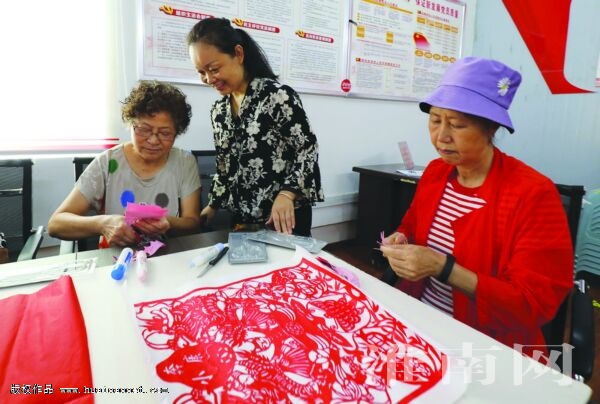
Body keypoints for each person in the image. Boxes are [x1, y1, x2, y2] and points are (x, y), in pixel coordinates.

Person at [379, 57, 573, 360]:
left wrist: (443, 268)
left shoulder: (533, 194)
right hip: (421, 320)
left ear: (490, 128)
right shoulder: (436, 173)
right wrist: (401, 238)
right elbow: (411, 226)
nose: (442, 136)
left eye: (457, 124)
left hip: (487, 344)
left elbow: (532, 303)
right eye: (435, 120)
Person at [187, 17, 324, 236]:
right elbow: (224, 166)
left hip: (283, 216)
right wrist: (213, 205)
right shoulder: (219, 111)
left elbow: (307, 148)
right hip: (242, 217)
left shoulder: (276, 96)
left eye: (214, 69)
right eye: (201, 72)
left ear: (238, 54)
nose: (209, 79)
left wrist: (287, 194)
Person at [48, 81, 201, 247]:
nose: (153, 140)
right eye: (144, 129)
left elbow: (193, 223)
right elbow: (56, 224)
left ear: (177, 132)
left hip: (167, 256)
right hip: (116, 258)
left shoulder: (184, 162)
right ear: (131, 124)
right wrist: (103, 224)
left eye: (165, 133)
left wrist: (169, 223)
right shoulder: (107, 162)